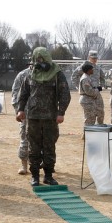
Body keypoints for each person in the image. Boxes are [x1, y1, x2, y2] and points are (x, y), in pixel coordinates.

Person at [16, 47, 71, 186]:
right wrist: (20, 110)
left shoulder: (57, 74)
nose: (42, 62)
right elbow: (23, 94)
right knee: (33, 148)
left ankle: (48, 175)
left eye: (44, 59)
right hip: (33, 117)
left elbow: (65, 94)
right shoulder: (29, 74)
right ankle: (35, 176)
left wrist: (61, 112)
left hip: (50, 118)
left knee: (49, 147)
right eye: (39, 60)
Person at [11, 66, 30, 175]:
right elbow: (15, 94)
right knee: (25, 138)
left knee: (44, 140)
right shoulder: (23, 75)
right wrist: (19, 110)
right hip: (26, 112)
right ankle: (24, 165)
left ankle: (43, 164)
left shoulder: (49, 74)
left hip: (43, 113)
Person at [78, 61, 99, 131]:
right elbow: (89, 91)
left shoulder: (87, 77)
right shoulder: (85, 78)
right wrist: (97, 90)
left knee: (91, 117)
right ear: (88, 70)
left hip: (88, 100)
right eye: (91, 69)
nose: (92, 70)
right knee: (89, 118)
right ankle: (87, 134)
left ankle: (88, 133)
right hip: (87, 100)